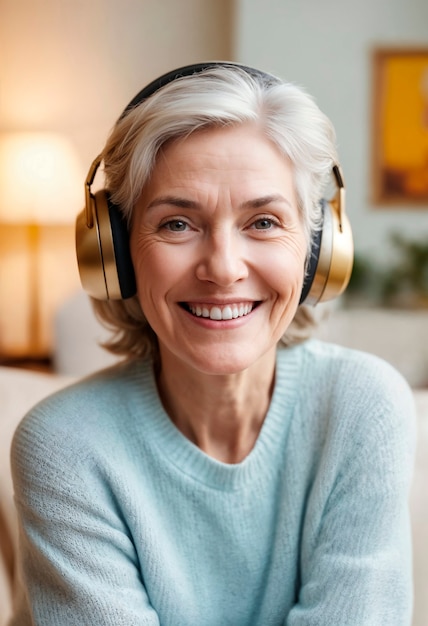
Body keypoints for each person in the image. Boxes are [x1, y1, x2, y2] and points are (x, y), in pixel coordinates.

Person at [10, 62, 415, 625]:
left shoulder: (362, 404)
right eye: (178, 223)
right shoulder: (65, 444)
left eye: (265, 222)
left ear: (318, 251)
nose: (223, 269)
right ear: (116, 253)